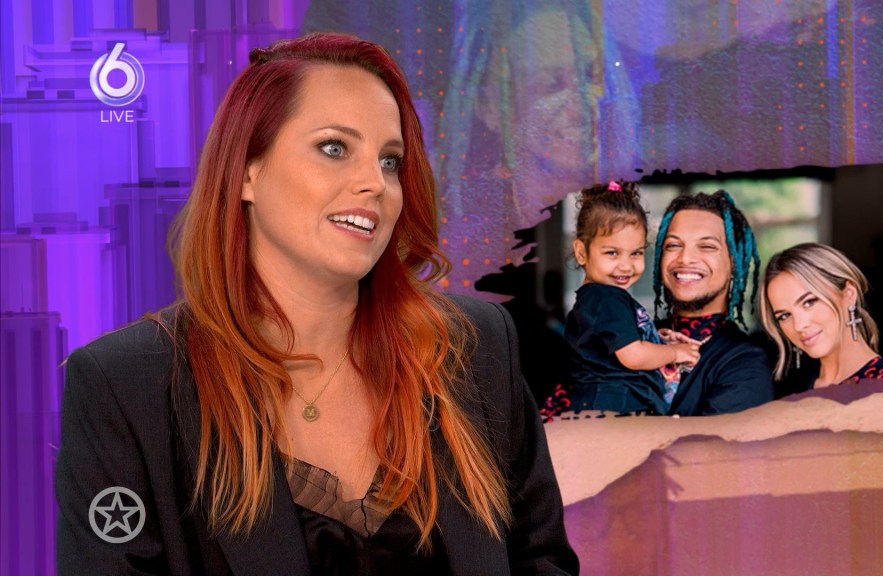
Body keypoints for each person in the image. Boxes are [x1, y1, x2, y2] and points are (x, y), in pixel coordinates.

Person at [55, 33, 578, 575]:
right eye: (334, 148)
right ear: (247, 171)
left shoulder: (476, 346)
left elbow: (541, 561)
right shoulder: (125, 385)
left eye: (390, 161)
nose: (375, 183)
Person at [543, 181, 701, 419]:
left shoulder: (597, 298)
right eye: (612, 253)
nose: (626, 265)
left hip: (607, 406)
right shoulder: (607, 297)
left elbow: (618, 342)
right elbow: (634, 356)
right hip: (616, 408)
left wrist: (653, 338)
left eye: (636, 253)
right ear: (582, 252)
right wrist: (674, 352)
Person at [652, 190, 775, 415]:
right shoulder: (633, 337)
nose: (685, 258)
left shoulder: (745, 363)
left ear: (734, 263)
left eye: (707, 246)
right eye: (673, 245)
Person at [758, 242, 883, 392]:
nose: (799, 326)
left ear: (849, 293)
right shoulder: (790, 387)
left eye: (809, 302)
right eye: (785, 316)